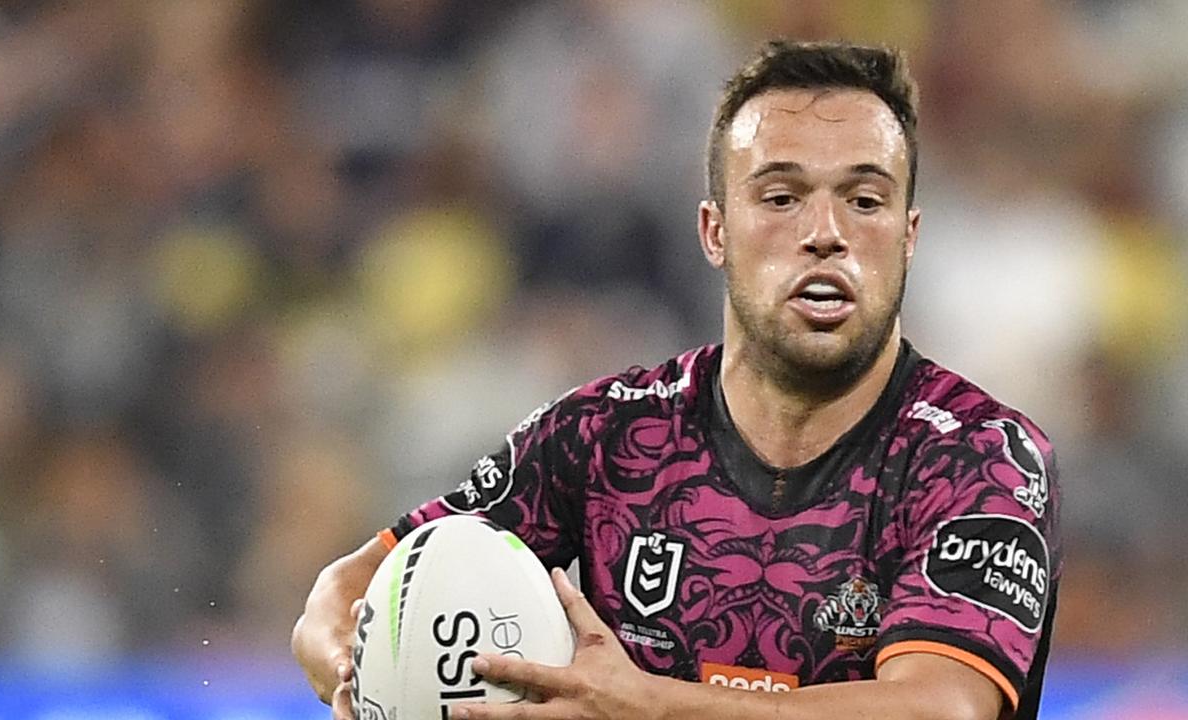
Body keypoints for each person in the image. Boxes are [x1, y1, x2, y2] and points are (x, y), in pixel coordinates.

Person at [292, 39, 1060, 720]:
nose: (825, 234)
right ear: (715, 231)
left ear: (908, 236)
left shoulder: (980, 458)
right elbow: (345, 591)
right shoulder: (606, 435)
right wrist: (363, 682)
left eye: (864, 201)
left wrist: (649, 707)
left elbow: (939, 710)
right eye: (782, 197)